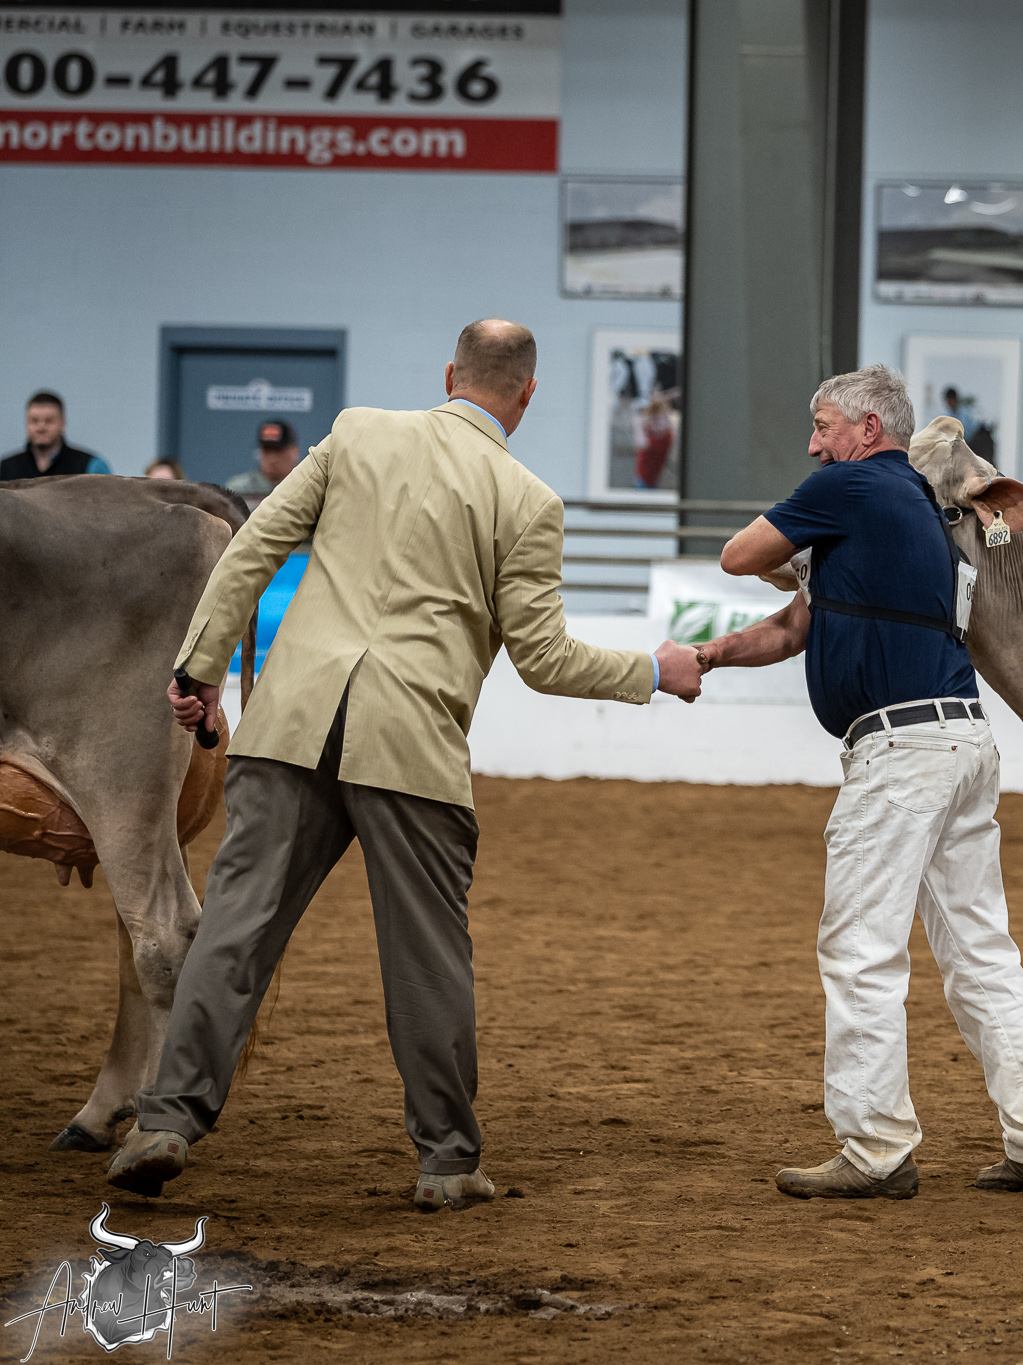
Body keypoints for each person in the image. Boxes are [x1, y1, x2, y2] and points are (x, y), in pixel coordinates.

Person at [106, 320, 704, 1211]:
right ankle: (448, 1161)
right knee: (426, 958)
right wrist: (655, 670)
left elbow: (251, 550)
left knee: (235, 928)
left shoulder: (357, 433)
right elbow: (543, 659)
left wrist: (198, 667)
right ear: (527, 396)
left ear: (449, 374)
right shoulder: (528, 500)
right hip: (411, 745)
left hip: (291, 722)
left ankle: (165, 1120)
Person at [693, 364, 1023, 1201]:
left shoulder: (856, 486)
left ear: (868, 429)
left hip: (900, 753)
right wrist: (713, 655)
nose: (813, 442)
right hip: (962, 739)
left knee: (861, 947)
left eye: (824, 425)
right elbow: (796, 626)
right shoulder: (920, 511)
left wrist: (800, 523)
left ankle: (874, 1145)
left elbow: (736, 554)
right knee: (980, 949)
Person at [1, 391, 111, 480]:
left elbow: (108, 505)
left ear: (62, 423)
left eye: (49, 421)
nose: (41, 428)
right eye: (34, 421)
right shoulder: (4, 469)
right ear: (26, 423)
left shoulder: (92, 466)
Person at [225, 420, 301, 509]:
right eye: (267, 450)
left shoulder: (306, 487)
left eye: (279, 450)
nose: (272, 459)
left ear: (294, 451)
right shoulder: (238, 489)